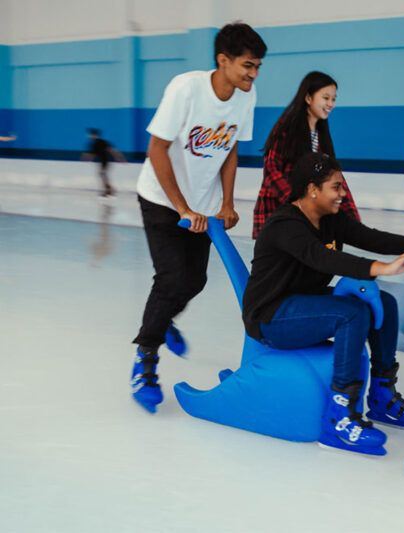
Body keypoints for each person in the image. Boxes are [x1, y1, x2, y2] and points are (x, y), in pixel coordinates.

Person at [242, 153, 404, 455]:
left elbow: (371, 237)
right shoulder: (284, 225)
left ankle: (382, 395)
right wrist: (383, 268)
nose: (343, 194)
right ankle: (339, 416)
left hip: (306, 302)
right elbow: (323, 258)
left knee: (384, 302)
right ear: (312, 189)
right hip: (272, 316)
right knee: (351, 314)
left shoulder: (330, 219)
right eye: (336, 187)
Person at [131, 22, 267, 413]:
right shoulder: (186, 89)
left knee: (195, 280)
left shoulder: (246, 95)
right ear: (223, 60)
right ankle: (145, 359)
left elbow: (230, 151)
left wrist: (226, 203)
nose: (253, 75)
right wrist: (182, 208)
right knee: (172, 277)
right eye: (247, 66)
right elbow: (157, 149)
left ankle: (163, 318)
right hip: (161, 196)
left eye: (257, 67)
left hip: (203, 205)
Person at [253, 71, 359, 239]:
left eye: (333, 99)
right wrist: (297, 206)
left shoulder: (321, 135)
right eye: (326, 98)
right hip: (278, 213)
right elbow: (271, 170)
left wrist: (353, 219)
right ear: (309, 98)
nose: (331, 103)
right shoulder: (287, 128)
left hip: (307, 217)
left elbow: (333, 177)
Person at [82, 128, 126, 197]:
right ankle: (108, 188)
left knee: (102, 174)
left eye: (91, 135)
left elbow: (112, 150)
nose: (89, 136)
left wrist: (120, 158)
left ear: (94, 135)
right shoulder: (94, 143)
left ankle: (109, 189)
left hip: (105, 160)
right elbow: (92, 153)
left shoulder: (101, 142)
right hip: (103, 161)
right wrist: (88, 157)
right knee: (102, 174)